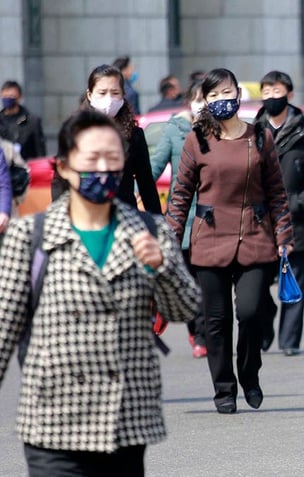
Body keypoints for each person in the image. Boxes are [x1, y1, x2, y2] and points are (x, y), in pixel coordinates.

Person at [0, 109, 200, 476]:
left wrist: (162, 268)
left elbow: (186, 308)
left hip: (124, 422)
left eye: (112, 159)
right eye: (91, 160)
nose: (103, 170)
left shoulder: (150, 230)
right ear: (63, 166)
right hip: (53, 424)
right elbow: (3, 328)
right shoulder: (30, 237)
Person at [166, 68, 293, 414]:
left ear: (239, 94)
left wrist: (284, 235)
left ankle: (249, 374)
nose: (223, 100)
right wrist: (170, 241)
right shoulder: (198, 140)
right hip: (209, 239)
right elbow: (180, 195)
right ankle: (224, 388)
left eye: (227, 93)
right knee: (216, 320)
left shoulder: (261, 137)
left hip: (254, 237)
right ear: (205, 102)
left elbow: (278, 192)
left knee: (251, 313)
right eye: (214, 95)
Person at [254, 70, 304, 356]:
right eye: (267, 92)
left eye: (277, 91)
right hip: (259, 221)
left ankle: (289, 341)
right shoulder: (252, 132)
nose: (272, 97)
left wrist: (301, 202)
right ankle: (264, 327)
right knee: (257, 286)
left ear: (289, 94)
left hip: (294, 218)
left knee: (294, 281)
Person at [52, 65, 161, 214]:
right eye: (102, 93)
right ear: (89, 95)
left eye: (115, 93)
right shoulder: (74, 131)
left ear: (123, 95)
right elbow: (60, 182)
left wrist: (157, 223)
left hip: (123, 216)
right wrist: (60, 216)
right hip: (84, 214)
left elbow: (146, 182)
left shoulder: (134, 135)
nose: (108, 99)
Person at [150, 79, 207, 359]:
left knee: (211, 280)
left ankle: (211, 333)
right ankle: (198, 334)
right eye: (198, 98)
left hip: (213, 219)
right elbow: (155, 165)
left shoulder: (219, 130)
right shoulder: (175, 130)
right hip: (183, 219)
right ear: (189, 101)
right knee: (191, 280)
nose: (203, 104)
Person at [0, 81, 46, 160]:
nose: (7, 99)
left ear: (19, 97)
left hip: (25, 167)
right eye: (5, 96)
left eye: (11, 96)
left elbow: (40, 152)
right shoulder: (1, 121)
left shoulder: (32, 121)